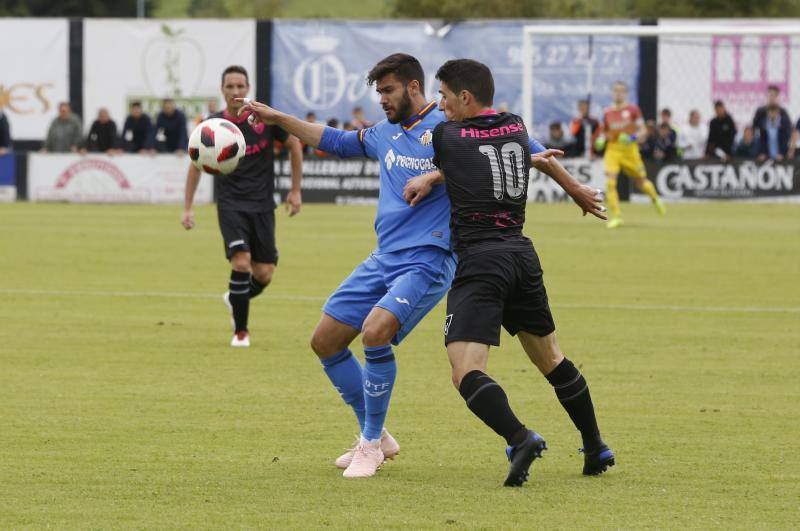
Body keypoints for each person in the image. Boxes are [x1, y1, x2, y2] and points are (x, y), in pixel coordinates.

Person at [239, 53, 569, 480]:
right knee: (325, 340)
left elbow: (529, 150)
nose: (382, 100)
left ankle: (371, 444)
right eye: (378, 93)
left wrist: (575, 187)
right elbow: (333, 139)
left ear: (414, 87)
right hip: (384, 257)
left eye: (389, 91)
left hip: (430, 259)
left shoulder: (451, 128)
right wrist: (276, 116)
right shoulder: (385, 132)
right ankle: (377, 435)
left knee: (376, 332)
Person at [402, 59, 612, 487]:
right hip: (521, 255)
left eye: (444, 96)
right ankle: (595, 446)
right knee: (552, 359)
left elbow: (461, 153)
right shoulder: (516, 126)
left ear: (465, 97)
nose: (440, 105)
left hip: (481, 261)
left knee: (464, 370)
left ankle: (520, 438)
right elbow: (490, 155)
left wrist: (429, 174)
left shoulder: (444, 135)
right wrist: (571, 185)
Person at [181, 65, 303, 348]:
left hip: (262, 204)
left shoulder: (264, 119)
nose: (235, 92)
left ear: (247, 88)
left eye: (240, 86)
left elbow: (294, 145)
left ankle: (234, 298)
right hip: (231, 204)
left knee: (264, 274)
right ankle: (241, 332)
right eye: (230, 87)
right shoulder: (210, 126)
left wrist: (295, 190)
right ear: (222, 90)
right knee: (241, 262)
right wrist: (187, 207)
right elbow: (195, 166)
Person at [597, 81, 666, 229]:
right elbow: (605, 132)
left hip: (630, 150)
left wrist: (631, 138)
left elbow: (643, 131)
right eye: (616, 90)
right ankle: (617, 217)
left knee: (641, 182)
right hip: (613, 150)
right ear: (612, 93)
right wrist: (601, 140)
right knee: (610, 182)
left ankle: (655, 198)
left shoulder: (633, 110)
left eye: (621, 91)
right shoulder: (607, 112)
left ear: (626, 93)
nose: (618, 93)